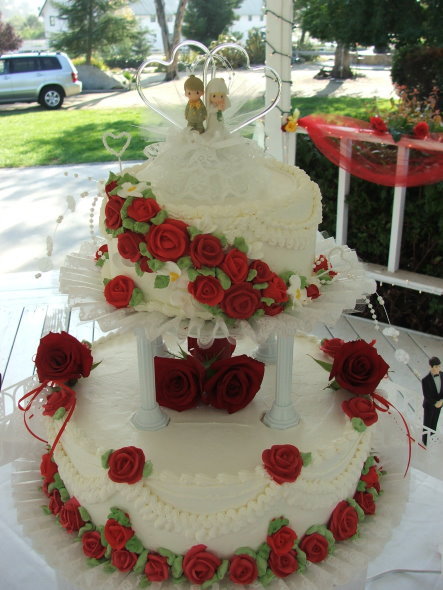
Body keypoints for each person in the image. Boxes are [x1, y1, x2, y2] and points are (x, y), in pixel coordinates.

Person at [421, 356, 443, 446]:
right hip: (429, 406)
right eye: (436, 367)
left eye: (439, 366)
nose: (439, 368)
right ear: (431, 367)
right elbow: (426, 395)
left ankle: (432, 439)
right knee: (427, 425)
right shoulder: (425, 380)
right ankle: (425, 442)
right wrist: (435, 403)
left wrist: (441, 401)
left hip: (440, 404)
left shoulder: (442, 375)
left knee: (434, 423)